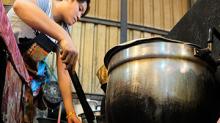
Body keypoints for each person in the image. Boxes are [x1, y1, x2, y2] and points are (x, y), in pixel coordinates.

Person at [7, 0, 90, 122]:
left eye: (82, 15)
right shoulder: (46, 3)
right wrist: (63, 36)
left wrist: (71, 113)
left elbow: (64, 72)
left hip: (21, 78)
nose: (79, 17)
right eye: (80, 9)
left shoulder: (64, 29)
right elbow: (20, 5)